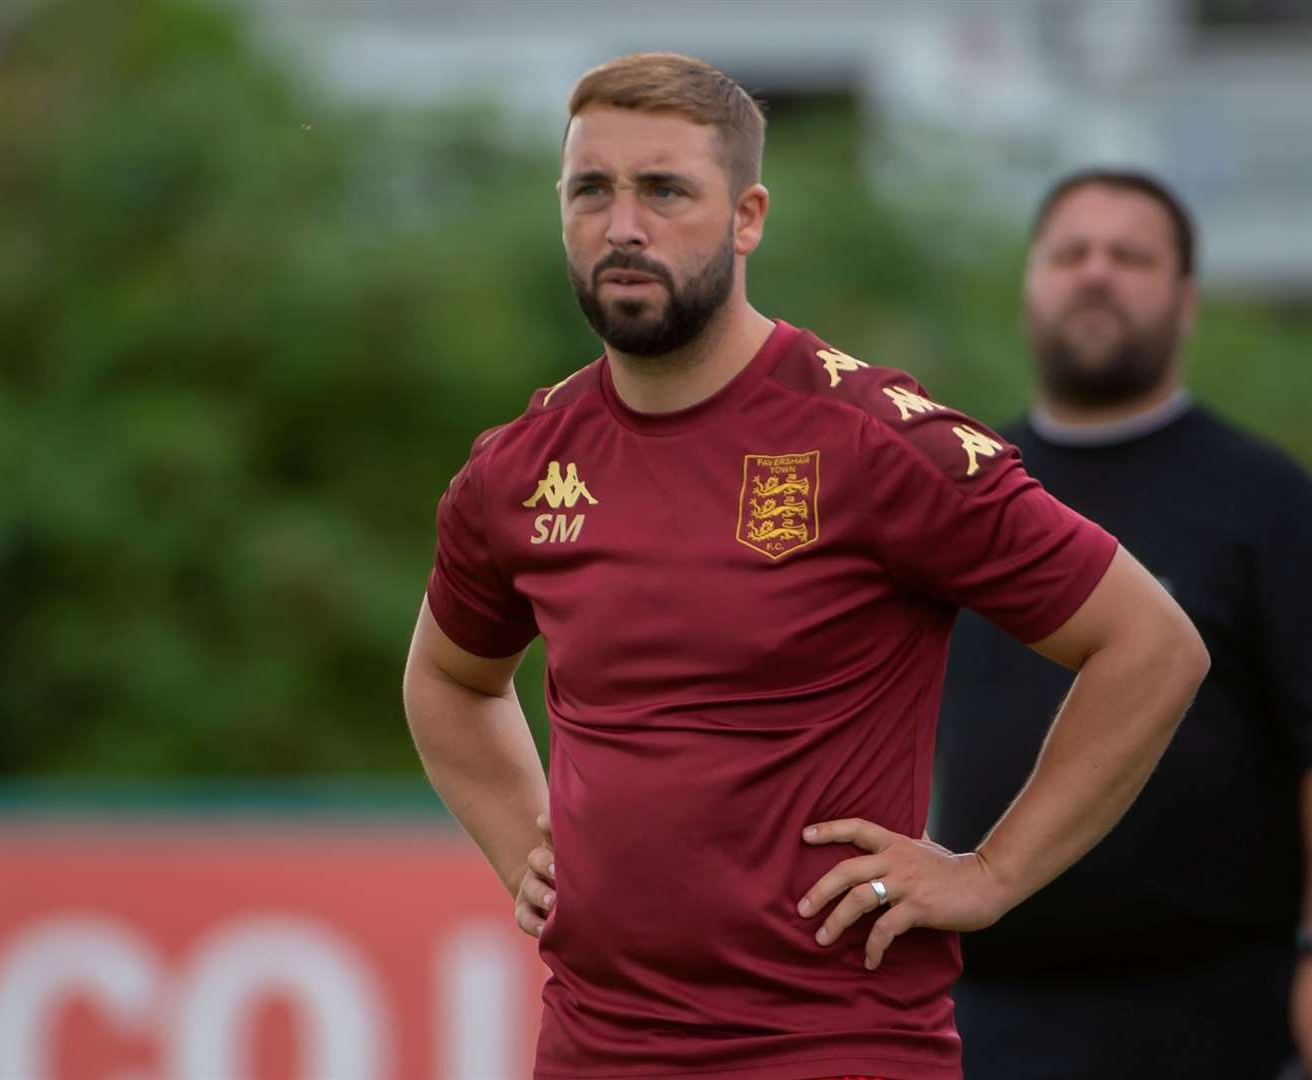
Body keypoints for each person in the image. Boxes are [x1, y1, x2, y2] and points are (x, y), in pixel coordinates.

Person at [403, 56, 1209, 1080]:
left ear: (746, 217)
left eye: (663, 190)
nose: (621, 228)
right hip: (594, 1050)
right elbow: (448, 680)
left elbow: (1148, 645)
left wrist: (991, 873)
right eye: (589, 190)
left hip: (834, 1047)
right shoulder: (519, 468)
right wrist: (525, 842)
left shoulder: (875, 441)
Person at [932, 169, 1312, 1079]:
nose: (1095, 273)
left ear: (1185, 301)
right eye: (1069, 253)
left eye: (1129, 256)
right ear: (1030, 284)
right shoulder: (957, 493)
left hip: (1211, 1014)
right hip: (974, 1015)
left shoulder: (1267, 503)